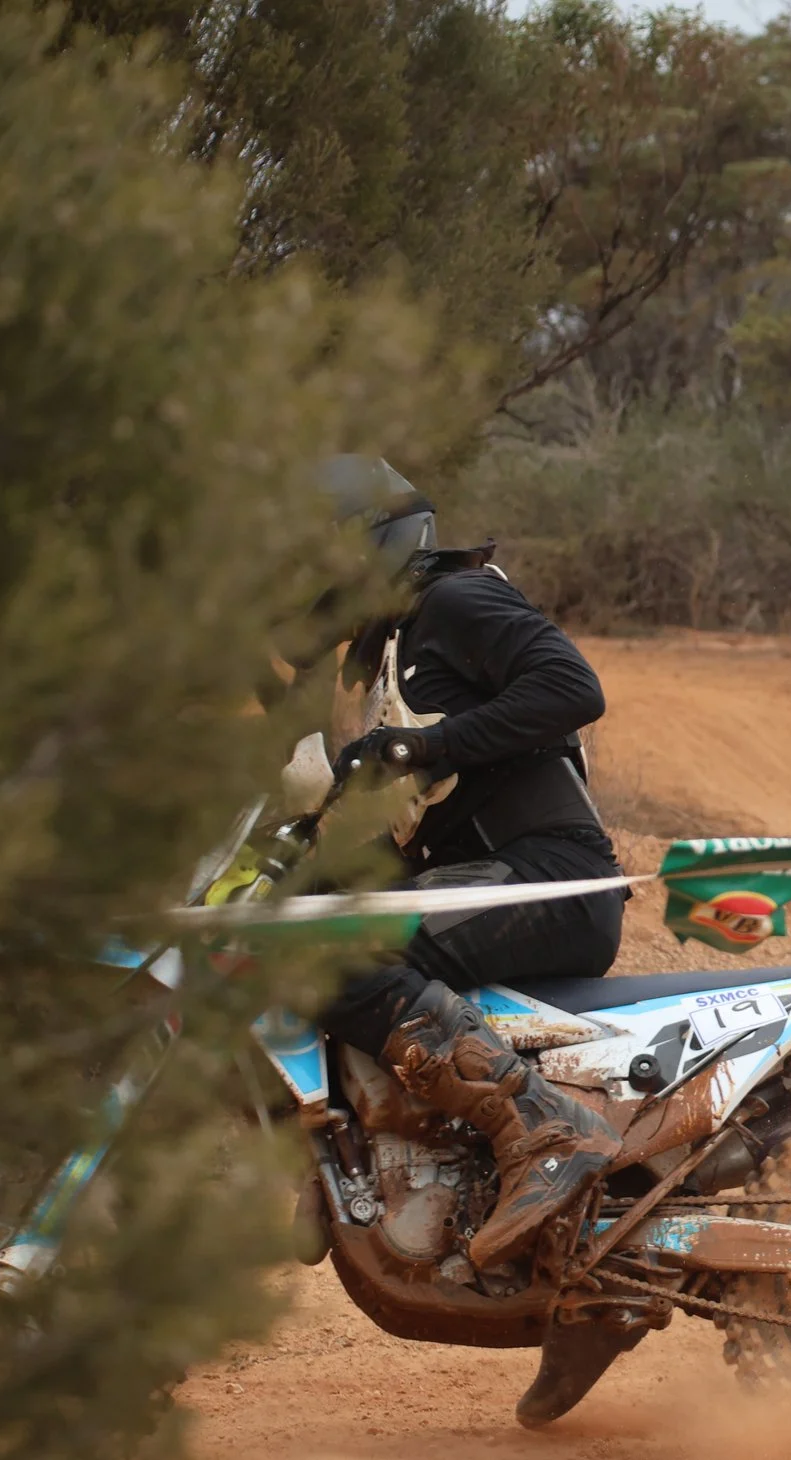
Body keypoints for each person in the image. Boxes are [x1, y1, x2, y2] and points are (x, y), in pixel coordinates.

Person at [310, 457, 626, 1270]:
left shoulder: (455, 599)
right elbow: (430, 827)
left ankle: (545, 1132)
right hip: (493, 881)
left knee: (334, 957)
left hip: (551, 877)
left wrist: (422, 743)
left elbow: (571, 685)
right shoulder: (392, 658)